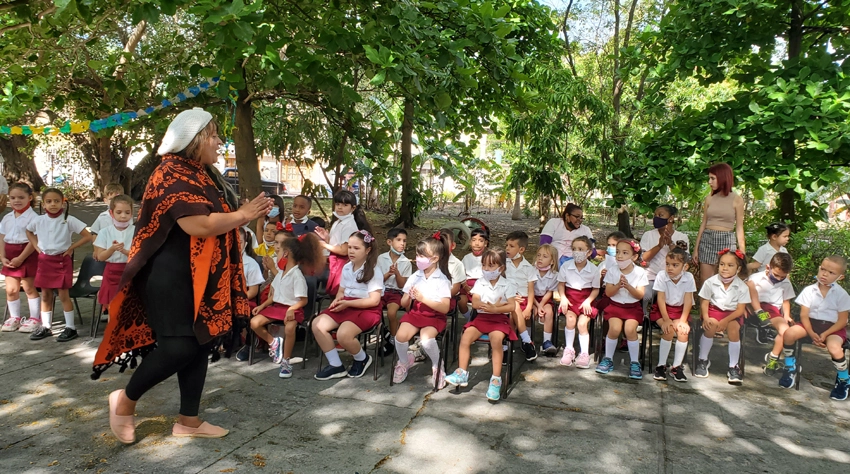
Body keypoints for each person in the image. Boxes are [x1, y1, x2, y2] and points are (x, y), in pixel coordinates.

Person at [93, 108, 273, 444]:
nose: (219, 142)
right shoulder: (171, 173)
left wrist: (242, 216)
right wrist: (243, 214)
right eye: (214, 135)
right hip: (169, 276)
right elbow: (198, 225)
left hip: (199, 276)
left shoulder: (200, 173)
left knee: (200, 343)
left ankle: (188, 420)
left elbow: (212, 221)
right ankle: (125, 400)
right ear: (195, 139)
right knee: (178, 347)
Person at [445, 248, 517, 401]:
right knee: (465, 337)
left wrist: (496, 308)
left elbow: (511, 306)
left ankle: (496, 379)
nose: (486, 269)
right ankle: (462, 373)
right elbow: (475, 301)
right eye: (484, 266)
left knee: (496, 341)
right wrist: (486, 306)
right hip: (481, 319)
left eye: (491, 266)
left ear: (501, 268)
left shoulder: (507, 284)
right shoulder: (480, 282)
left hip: (499, 320)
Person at [25, 188, 93, 342]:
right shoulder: (39, 220)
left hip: (62, 260)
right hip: (44, 260)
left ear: (63, 202)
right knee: (46, 295)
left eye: (56, 201)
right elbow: (29, 232)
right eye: (49, 201)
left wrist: (71, 248)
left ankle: (70, 327)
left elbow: (88, 235)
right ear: (43, 204)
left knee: (63, 294)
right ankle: (46, 326)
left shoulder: (68, 219)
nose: (53, 204)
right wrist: (37, 248)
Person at [313, 230, 383, 380]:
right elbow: (341, 291)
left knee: (343, 335)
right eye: (350, 247)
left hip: (367, 309)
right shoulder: (346, 267)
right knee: (317, 324)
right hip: (346, 304)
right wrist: (338, 300)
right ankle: (335, 365)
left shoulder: (374, 271)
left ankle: (361, 358)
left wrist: (346, 303)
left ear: (368, 250)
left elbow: (374, 300)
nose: (351, 251)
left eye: (356, 248)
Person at [252, 233, 325, 378]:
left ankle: (286, 361)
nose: (276, 253)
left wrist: (292, 309)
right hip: (277, 307)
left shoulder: (296, 275)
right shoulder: (281, 273)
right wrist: (262, 306)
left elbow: (303, 300)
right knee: (254, 323)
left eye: (278, 251)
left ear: (286, 253)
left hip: (293, 309)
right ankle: (274, 342)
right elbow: (275, 295)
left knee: (290, 328)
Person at [777, 256, 850, 399]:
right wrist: (811, 333)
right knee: (789, 334)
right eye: (822, 269)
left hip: (833, 327)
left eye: (831, 272)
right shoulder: (809, 290)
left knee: (834, 347)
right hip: (810, 324)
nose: (824, 274)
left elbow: (842, 321)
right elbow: (804, 315)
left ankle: (844, 379)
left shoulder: (842, 295)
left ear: (840, 277)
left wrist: (825, 334)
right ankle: (790, 367)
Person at [392, 234, 452, 388]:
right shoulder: (415, 276)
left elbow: (445, 307)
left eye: (422, 256)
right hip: (416, 314)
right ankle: (404, 362)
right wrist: (409, 297)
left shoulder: (442, 280)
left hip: (434, 316)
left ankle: (437, 365)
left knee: (426, 340)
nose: (418, 259)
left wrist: (423, 298)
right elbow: (403, 302)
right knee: (400, 337)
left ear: (435, 259)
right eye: (418, 255)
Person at [695, 249, 751, 384]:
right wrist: (706, 317)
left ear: (738, 268)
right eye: (722, 264)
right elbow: (704, 302)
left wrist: (726, 321)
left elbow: (740, 310)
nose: (725, 268)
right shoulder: (710, 282)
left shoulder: (742, 286)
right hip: (713, 311)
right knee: (711, 325)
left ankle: (733, 366)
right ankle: (703, 360)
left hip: (732, 315)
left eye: (730, 265)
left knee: (733, 329)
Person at [596, 239, 648, 379]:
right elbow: (608, 293)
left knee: (630, 330)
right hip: (615, 306)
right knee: (614, 329)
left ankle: (634, 362)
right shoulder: (612, 271)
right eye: (618, 252)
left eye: (625, 253)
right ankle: (608, 359)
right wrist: (618, 285)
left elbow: (640, 295)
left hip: (632, 308)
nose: (619, 256)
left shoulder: (640, 272)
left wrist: (629, 287)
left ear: (634, 257)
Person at [648, 247, 696, 382]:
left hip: (681, 311)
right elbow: (660, 299)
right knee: (668, 330)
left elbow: (688, 300)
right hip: (662, 311)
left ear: (685, 266)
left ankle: (676, 366)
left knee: (682, 331)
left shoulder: (689, 278)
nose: (670, 268)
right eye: (668, 264)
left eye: (675, 265)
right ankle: (661, 365)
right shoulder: (662, 276)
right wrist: (666, 319)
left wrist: (683, 320)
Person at [692, 163, 746, 284]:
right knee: (705, 281)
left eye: (712, 178)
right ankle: (705, 303)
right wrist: (696, 249)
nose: (709, 182)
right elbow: (703, 223)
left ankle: (721, 303)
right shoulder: (709, 198)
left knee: (724, 280)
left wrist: (742, 250)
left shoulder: (737, 199)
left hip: (726, 240)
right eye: (709, 178)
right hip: (707, 239)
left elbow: (739, 227)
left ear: (723, 178)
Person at [314, 190, 372, 298]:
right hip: (334, 262)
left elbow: (344, 250)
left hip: (341, 264)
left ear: (353, 208)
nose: (340, 207)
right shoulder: (338, 222)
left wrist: (323, 245)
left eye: (345, 205)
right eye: (338, 204)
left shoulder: (349, 224)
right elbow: (336, 244)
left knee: (338, 293)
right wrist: (326, 238)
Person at [0, 183, 41, 332]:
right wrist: (2, 256)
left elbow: (33, 240)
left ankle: (35, 318)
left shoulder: (34, 217)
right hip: (9, 255)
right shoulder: (7, 218)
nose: (16, 200)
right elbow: (2, 237)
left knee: (29, 287)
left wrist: (21, 258)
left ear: (30, 198)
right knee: (11, 289)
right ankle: (14, 317)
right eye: (12, 198)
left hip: (27, 254)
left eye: (21, 197)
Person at [557, 236, 600, 369]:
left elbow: (596, 289)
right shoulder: (566, 266)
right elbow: (561, 285)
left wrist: (588, 301)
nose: (577, 252)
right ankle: (569, 349)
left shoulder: (594, 269)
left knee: (582, 324)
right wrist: (563, 298)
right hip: (570, 298)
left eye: (581, 249)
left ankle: (584, 353)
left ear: (588, 252)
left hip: (586, 300)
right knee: (570, 320)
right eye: (574, 249)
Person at [640, 205, 689, 314]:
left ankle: (663, 317)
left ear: (671, 218)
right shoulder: (648, 235)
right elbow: (643, 258)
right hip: (651, 277)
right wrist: (659, 246)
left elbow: (684, 259)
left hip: (673, 278)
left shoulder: (682, 237)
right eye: (655, 215)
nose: (656, 218)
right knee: (645, 295)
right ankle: (644, 316)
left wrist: (671, 244)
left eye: (661, 215)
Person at [755, 253, 796, 376]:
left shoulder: (786, 283)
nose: (778, 279)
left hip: (773, 311)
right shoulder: (755, 278)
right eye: (776, 275)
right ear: (768, 267)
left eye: (782, 277)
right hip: (754, 307)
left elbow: (785, 300)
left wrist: (786, 315)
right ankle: (763, 325)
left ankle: (773, 358)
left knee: (786, 331)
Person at [93, 194, 135, 312]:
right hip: (111, 272)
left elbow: (139, 255)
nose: (123, 216)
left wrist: (125, 251)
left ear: (132, 213)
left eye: (127, 212)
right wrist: (112, 249)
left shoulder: (135, 231)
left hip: (129, 271)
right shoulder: (104, 232)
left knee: (128, 305)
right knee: (111, 306)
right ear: (112, 213)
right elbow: (100, 257)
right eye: (119, 212)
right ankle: (112, 328)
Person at [747, 223, 791, 323]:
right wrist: (741, 267)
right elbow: (756, 264)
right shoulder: (764, 249)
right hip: (763, 280)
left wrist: (787, 281)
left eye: (788, 236)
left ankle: (778, 320)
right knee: (756, 298)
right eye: (785, 236)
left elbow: (785, 269)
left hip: (778, 282)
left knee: (779, 302)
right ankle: (762, 318)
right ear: (774, 237)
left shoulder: (784, 250)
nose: (787, 239)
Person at [504, 231, 538, 361]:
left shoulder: (529, 268)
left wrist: (529, 308)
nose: (507, 248)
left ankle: (507, 346)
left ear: (521, 249)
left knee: (517, 314)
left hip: (524, 301)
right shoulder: (504, 265)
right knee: (513, 311)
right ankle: (526, 342)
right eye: (506, 245)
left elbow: (530, 290)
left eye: (511, 246)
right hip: (507, 300)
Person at [377, 228, 412, 341]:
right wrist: (388, 274)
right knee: (374, 308)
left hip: (396, 293)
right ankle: (383, 332)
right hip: (381, 291)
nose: (402, 243)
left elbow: (402, 285)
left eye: (404, 241)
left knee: (391, 313)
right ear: (389, 242)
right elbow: (377, 280)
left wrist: (397, 273)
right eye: (398, 240)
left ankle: (393, 337)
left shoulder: (406, 262)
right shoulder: (381, 258)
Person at [533, 244, 559, 356]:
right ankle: (528, 339)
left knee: (548, 312)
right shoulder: (531, 270)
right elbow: (528, 291)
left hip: (545, 299)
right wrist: (537, 306)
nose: (540, 258)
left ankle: (546, 341)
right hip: (531, 298)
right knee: (530, 311)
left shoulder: (554, 275)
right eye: (538, 255)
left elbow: (550, 292)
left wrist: (541, 305)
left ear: (552, 261)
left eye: (544, 256)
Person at [460, 228, 489, 318]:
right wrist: (465, 286)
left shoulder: (488, 258)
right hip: (467, 287)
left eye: (481, 241)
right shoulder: (466, 258)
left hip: (484, 288)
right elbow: (461, 274)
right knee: (461, 301)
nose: (477, 243)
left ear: (485, 243)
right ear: (470, 242)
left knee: (485, 301)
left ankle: (481, 319)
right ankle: (470, 318)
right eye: (474, 240)